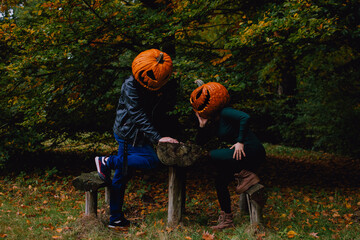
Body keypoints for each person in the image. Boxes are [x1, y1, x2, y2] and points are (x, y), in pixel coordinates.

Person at [95, 49, 179, 229]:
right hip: (128, 134)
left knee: (128, 170)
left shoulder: (157, 85)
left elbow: (156, 113)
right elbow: (138, 115)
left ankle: (115, 218)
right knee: (128, 170)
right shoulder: (130, 85)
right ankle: (108, 162)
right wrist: (158, 138)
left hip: (141, 135)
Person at [190, 81, 266, 230]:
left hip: (252, 150)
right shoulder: (214, 122)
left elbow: (245, 117)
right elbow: (200, 142)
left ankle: (245, 174)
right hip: (242, 156)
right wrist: (202, 124)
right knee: (220, 181)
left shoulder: (226, 112)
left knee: (213, 155)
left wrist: (240, 141)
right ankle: (227, 219)